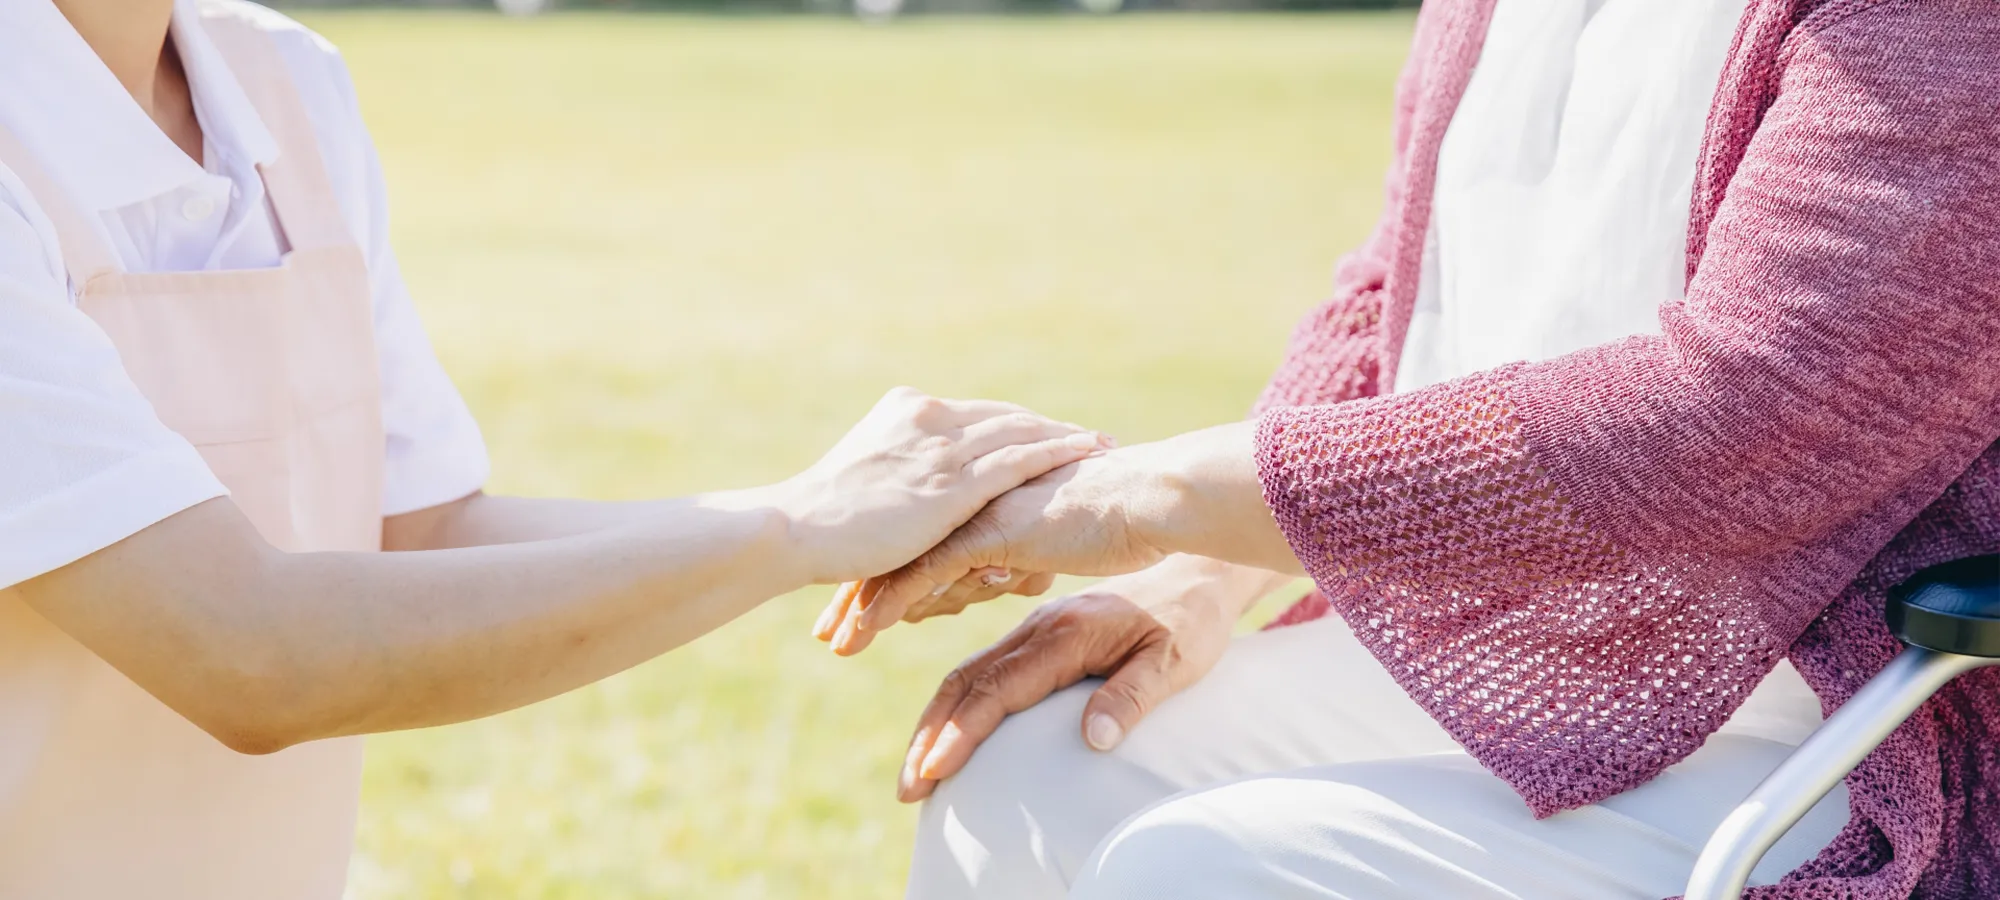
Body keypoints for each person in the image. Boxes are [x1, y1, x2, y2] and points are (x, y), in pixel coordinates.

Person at [821, 0, 2000, 897]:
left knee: (1201, 871)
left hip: (1849, 718)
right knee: (1029, 773)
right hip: (1503, 642)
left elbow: (1739, 417)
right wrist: (1198, 578)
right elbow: (1395, 293)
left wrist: (1148, 502)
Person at [0, 2, 1111, 897]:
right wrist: (794, 528)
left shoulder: (282, 81)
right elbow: (244, 651)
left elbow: (422, 532)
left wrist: (830, 520)